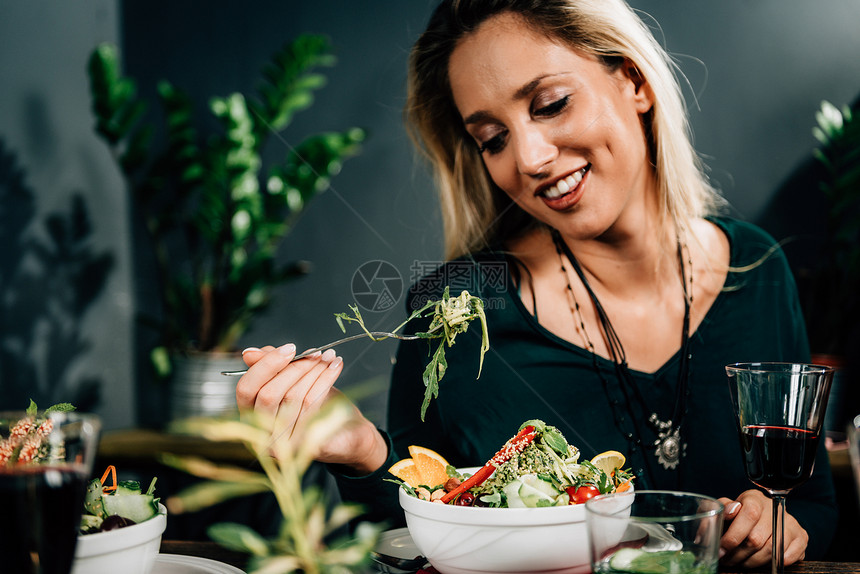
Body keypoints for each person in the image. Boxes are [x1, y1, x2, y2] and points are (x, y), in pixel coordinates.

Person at [236, 0, 838, 567]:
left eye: (549, 104)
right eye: (491, 139)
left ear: (634, 82)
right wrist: (363, 454)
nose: (527, 158)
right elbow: (412, 537)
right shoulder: (456, 309)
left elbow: (810, 500)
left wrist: (779, 522)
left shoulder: (757, 269)